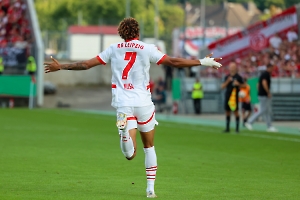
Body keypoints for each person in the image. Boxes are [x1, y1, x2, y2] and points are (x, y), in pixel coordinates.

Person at [44, 17, 222, 198]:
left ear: (121, 33)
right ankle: (150, 189)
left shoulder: (113, 49)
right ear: (137, 32)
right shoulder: (148, 48)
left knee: (130, 155)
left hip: (123, 104)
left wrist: (61, 66)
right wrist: (202, 61)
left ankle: (123, 133)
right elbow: (174, 62)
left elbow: (86, 65)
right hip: (143, 103)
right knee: (149, 146)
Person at [245, 64, 277, 132]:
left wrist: (260, 91)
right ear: (269, 68)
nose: (272, 70)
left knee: (267, 110)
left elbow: (258, 84)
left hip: (261, 94)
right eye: (272, 68)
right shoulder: (266, 74)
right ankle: (250, 121)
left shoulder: (263, 74)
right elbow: (264, 83)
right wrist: (267, 92)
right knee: (263, 110)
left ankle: (269, 126)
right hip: (264, 95)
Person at [221, 62, 244, 133]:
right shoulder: (227, 77)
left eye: (233, 67)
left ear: (235, 68)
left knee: (236, 112)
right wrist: (228, 81)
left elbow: (244, 85)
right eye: (230, 67)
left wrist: (238, 84)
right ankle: (227, 128)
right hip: (228, 96)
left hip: (234, 97)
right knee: (227, 112)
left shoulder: (238, 77)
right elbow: (222, 87)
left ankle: (237, 129)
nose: (231, 68)